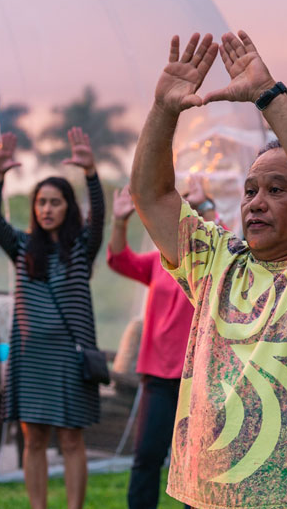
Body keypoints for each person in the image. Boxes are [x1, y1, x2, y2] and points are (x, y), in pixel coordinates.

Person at [130, 31, 287, 509]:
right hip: (207, 496)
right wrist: (163, 110)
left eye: (277, 190)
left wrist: (267, 95)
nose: (255, 203)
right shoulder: (219, 263)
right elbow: (152, 196)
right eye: (249, 191)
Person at [0, 128, 105, 509]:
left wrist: (91, 173)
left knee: (71, 439)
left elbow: (98, 216)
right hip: (30, 357)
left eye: (55, 202)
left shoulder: (82, 247)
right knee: (33, 438)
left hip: (70, 357)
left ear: (68, 207)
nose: (47, 209)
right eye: (41, 203)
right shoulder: (22, 246)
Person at [107, 176, 216, 509]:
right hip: (157, 377)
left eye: (187, 204)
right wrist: (119, 220)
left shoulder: (210, 259)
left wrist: (205, 204)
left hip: (198, 378)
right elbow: (118, 259)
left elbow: (225, 240)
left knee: (196, 466)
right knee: (147, 457)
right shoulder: (157, 262)